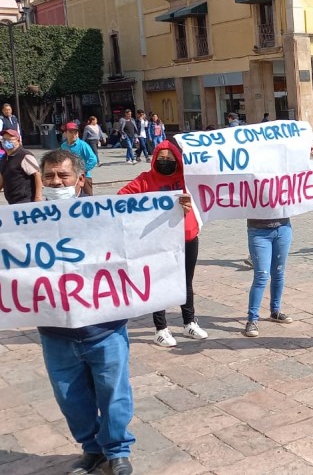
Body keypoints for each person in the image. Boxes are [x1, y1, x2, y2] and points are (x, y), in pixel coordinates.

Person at [36, 149, 136, 475]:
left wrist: (176, 213)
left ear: (79, 180)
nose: (55, 182)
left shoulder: (104, 215)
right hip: (56, 331)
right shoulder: (23, 226)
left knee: (114, 395)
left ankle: (117, 451)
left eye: (63, 176)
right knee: (71, 400)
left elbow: (143, 239)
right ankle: (92, 448)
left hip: (104, 329)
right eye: (49, 176)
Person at [118, 141, 208, 348]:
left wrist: (190, 204)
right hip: (159, 242)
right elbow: (121, 199)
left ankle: (189, 322)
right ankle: (161, 329)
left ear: (177, 160)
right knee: (159, 283)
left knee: (187, 282)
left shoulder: (187, 180)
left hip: (187, 237)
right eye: (161, 158)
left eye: (169, 159)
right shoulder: (145, 180)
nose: (165, 162)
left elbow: (204, 195)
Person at [242, 210, 294, 338]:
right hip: (258, 231)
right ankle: (252, 319)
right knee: (261, 276)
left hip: (283, 227)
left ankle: (275, 311)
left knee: (278, 272)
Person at [0, 128, 42, 204]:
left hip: (26, 200)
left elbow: (37, 175)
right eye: (4, 139)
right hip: (12, 200)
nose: (6, 142)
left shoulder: (25, 155)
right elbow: (2, 177)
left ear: (18, 141)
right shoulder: (4, 157)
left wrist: (38, 197)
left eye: (9, 139)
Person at [62, 122, 98, 196]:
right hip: (70, 178)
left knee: (88, 200)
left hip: (84, 178)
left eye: (75, 132)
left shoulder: (82, 145)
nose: (74, 134)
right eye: (71, 132)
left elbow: (93, 159)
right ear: (65, 133)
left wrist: (83, 170)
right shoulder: (63, 146)